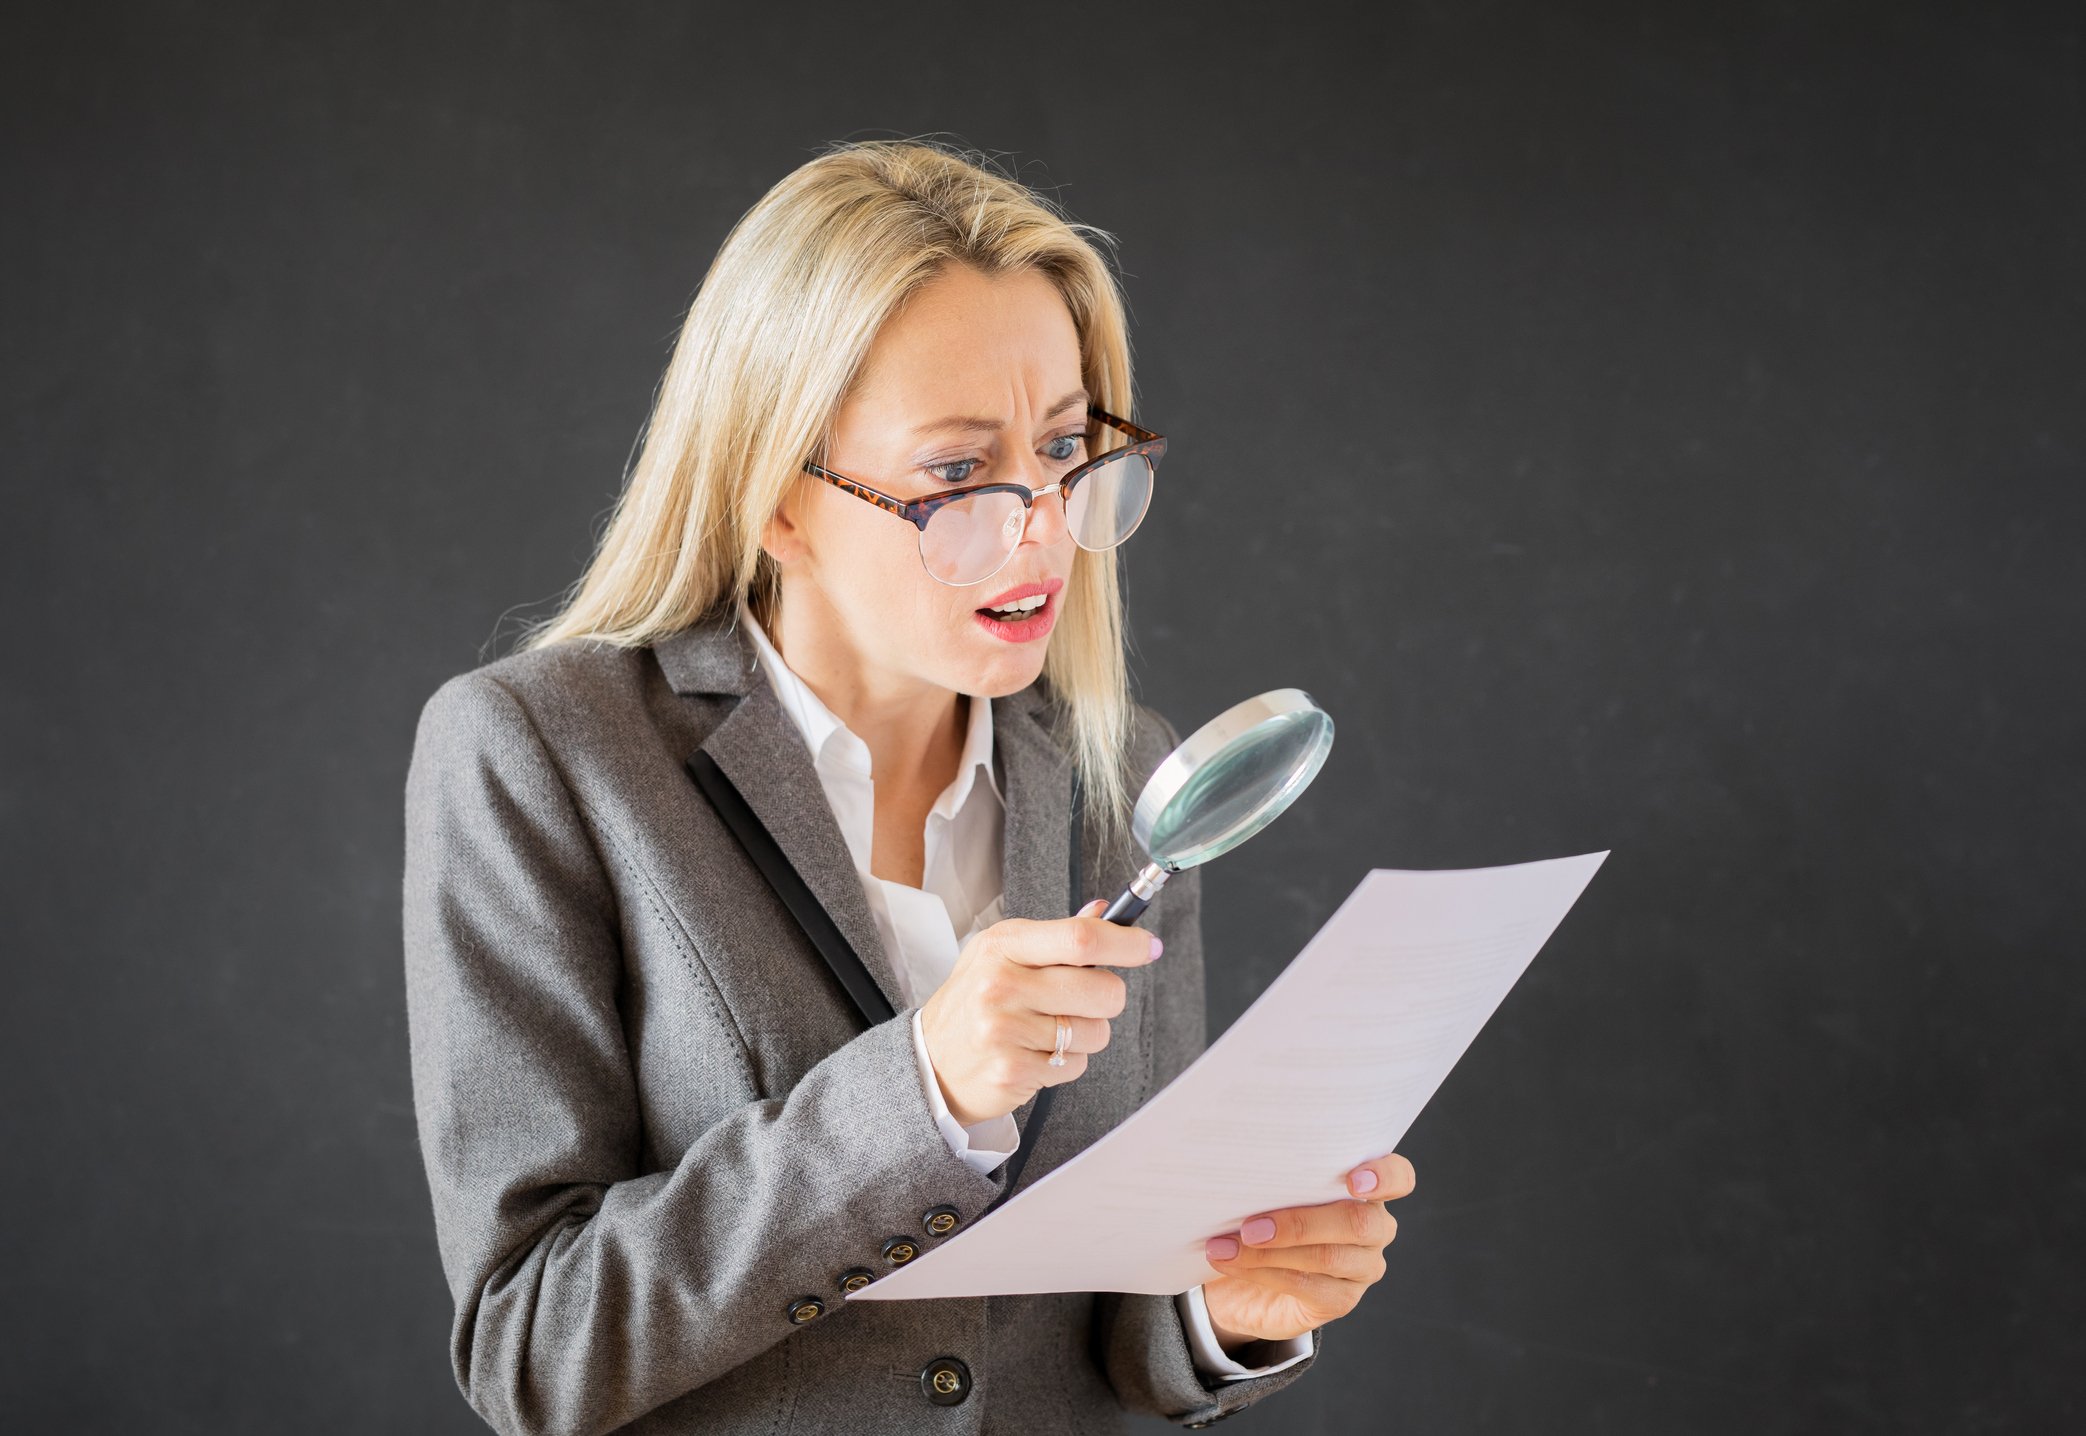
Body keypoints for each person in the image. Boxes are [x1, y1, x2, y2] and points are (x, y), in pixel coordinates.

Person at [402, 138, 1414, 1436]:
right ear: (774, 496)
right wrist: (920, 1094)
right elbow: (536, 1350)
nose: (1041, 527)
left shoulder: (1114, 780)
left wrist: (1227, 1313)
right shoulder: (542, 754)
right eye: (955, 474)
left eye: (1063, 449)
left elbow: (1114, 1341)